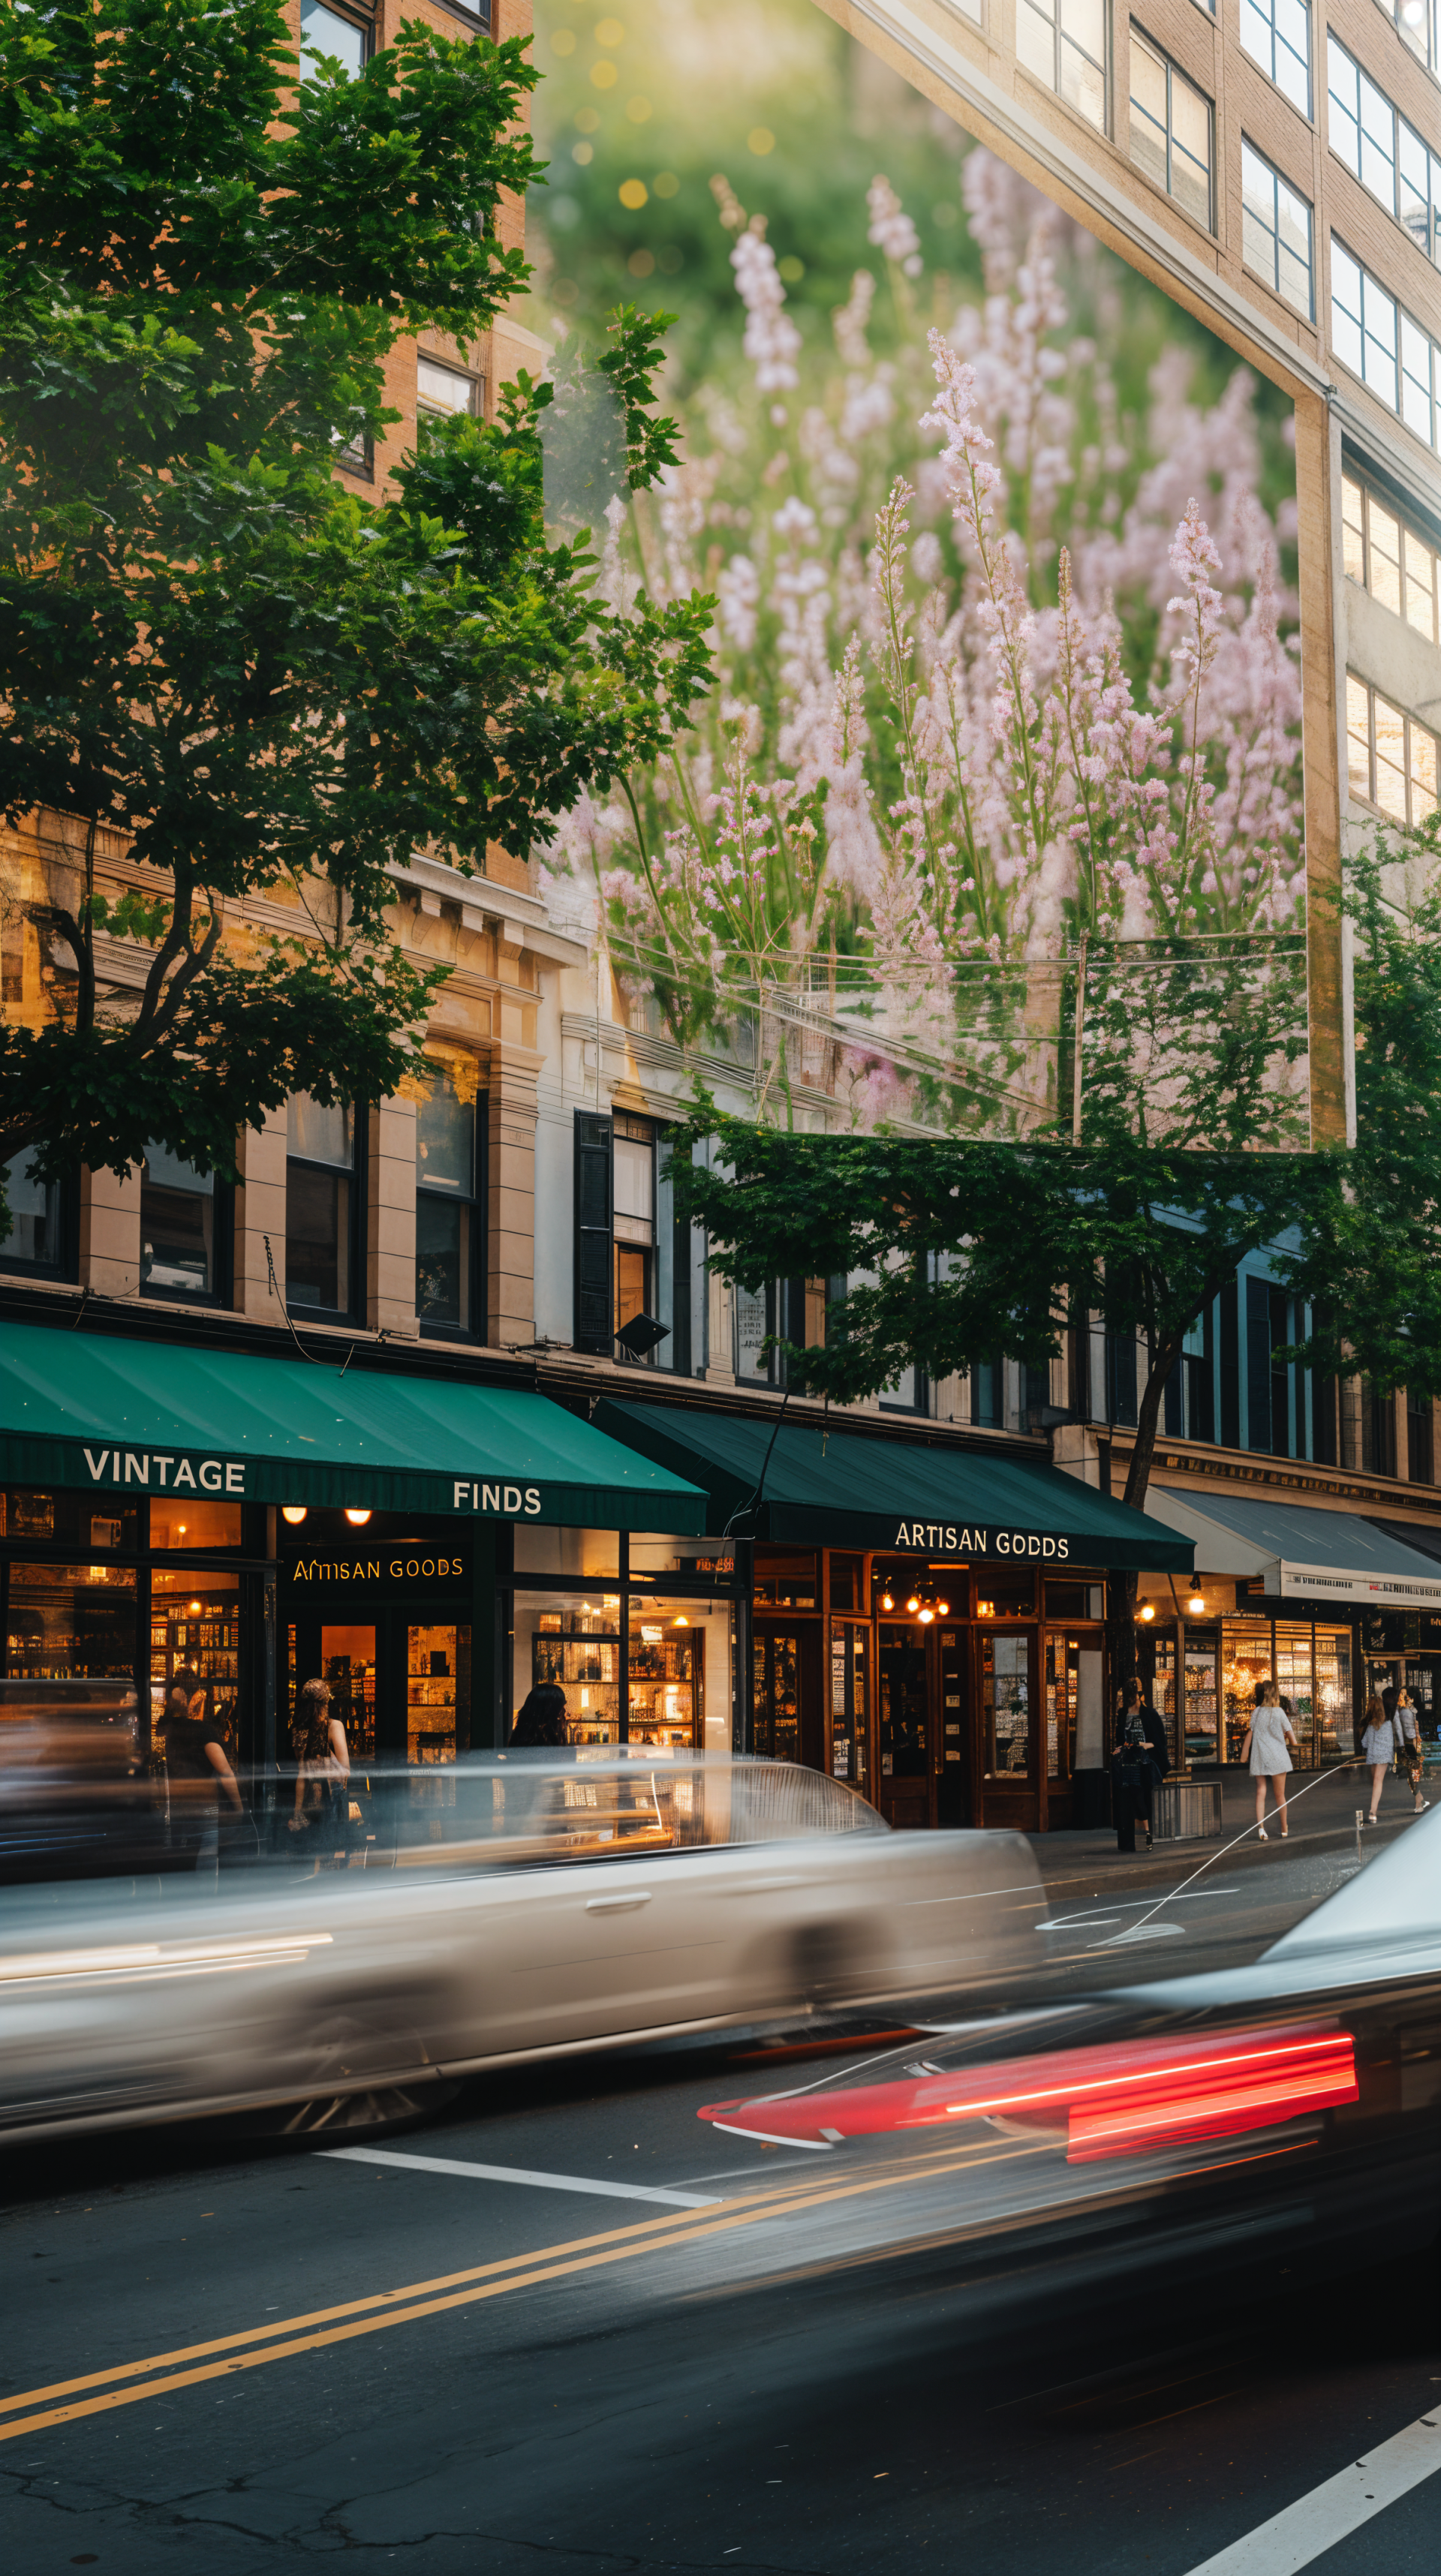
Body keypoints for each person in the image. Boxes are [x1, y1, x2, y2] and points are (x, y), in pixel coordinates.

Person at [161, 1669, 242, 1869]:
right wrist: (239, 1808)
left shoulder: (168, 1729)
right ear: (193, 1697)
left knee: (183, 1865)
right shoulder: (203, 1731)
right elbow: (225, 1772)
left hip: (179, 1808)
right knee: (205, 1863)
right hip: (204, 1809)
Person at [287, 1677, 351, 1865]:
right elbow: (345, 1771)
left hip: (310, 1802)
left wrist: (297, 1812)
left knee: (313, 1853)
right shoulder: (334, 1726)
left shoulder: (298, 1730)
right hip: (332, 1799)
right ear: (326, 1702)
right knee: (333, 1854)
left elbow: (302, 1775)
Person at [1112, 1681, 1168, 1852]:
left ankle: (1148, 1832)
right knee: (1129, 1800)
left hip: (1143, 1762)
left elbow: (1159, 1742)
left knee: (1140, 1798)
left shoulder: (1149, 1714)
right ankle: (1136, 1838)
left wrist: (1145, 1745)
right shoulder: (1122, 1714)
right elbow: (1120, 1739)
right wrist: (1120, 1749)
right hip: (1127, 1763)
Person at [1240, 1680, 1296, 1841]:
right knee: (1280, 1796)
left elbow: (1250, 1734)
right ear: (1275, 1695)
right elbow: (1292, 1739)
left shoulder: (1256, 1712)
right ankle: (1284, 1828)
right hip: (1278, 1758)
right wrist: (1287, 1739)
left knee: (1261, 1792)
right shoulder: (1279, 1713)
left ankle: (1262, 1830)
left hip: (1260, 1758)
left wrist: (1244, 1757)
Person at [1361, 1693, 1397, 1827]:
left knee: (1375, 1781)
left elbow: (1365, 1743)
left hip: (1374, 1756)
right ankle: (1373, 1811)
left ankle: (1372, 1812)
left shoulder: (1371, 1726)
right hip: (1383, 1757)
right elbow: (1390, 1742)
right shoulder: (1388, 1724)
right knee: (1377, 1781)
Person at [1394, 1688, 1428, 1816]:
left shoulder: (1409, 1711)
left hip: (1412, 1745)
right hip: (1407, 1745)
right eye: (1401, 1694)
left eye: (1404, 1695)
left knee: (1414, 1775)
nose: (1402, 1697)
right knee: (1411, 1776)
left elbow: (1411, 1731)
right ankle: (1420, 1800)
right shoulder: (1403, 1711)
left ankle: (1419, 1802)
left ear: (1411, 1698)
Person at [508, 1684, 570, 1748]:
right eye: (561, 1706)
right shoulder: (538, 1737)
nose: (564, 1710)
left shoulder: (523, 1733)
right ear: (549, 1709)